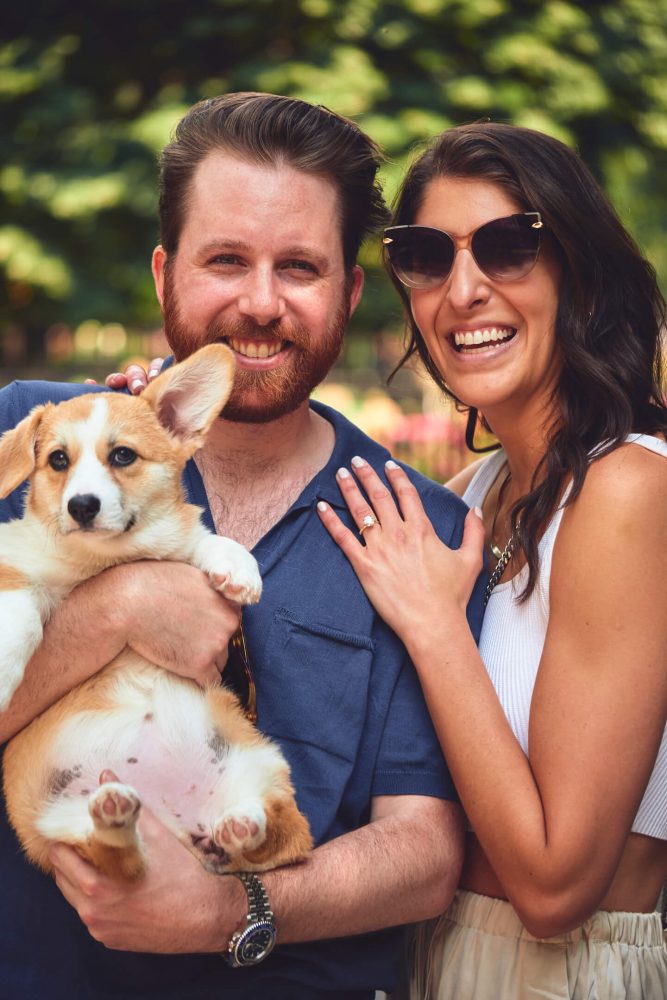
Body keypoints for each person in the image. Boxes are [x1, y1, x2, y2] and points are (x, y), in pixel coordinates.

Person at [0, 94, 486, 1000]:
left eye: (298, 266)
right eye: (225, 259)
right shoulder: (32, 439)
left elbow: (423, 854)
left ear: (347, 290)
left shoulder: (421, 529)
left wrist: (229, 912)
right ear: (163, 274)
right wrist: (117, 611)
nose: (260, 303)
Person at [318, 121, 667, 998]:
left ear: (576, 274)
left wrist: (436, 628)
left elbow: (555, 886)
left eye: (510, 247)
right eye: (426, 256)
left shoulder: (628, 488)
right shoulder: (471, 495)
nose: (462, 290)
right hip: (436, 961)